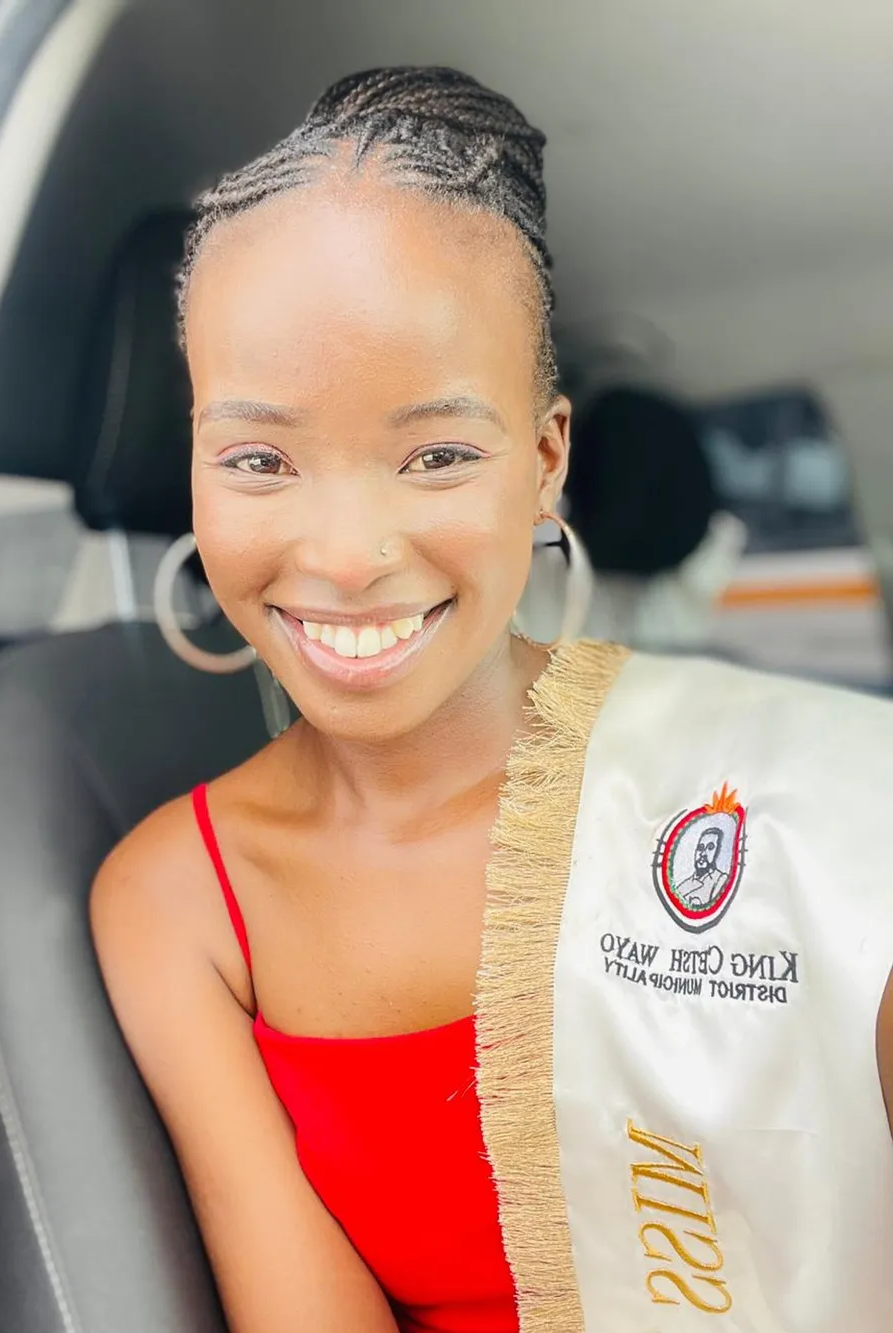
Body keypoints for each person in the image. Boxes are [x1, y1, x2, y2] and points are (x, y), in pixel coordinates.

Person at [90, 67, 893, 1333]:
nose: (347, 554)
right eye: (258, 458)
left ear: (546, 461)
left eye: (437, 455)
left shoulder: (816, 812)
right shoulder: (177, 904)